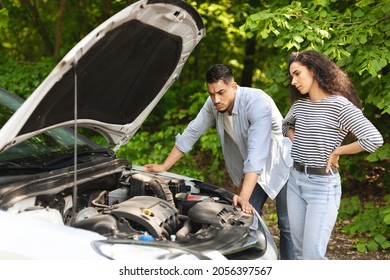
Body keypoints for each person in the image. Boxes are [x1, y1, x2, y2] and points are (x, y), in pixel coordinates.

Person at [144, 64, 295, 259]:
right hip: (253, 170)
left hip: (280, 163)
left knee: (286, 224)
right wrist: (164, 166)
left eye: (221, 92)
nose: (216, 99)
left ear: (234, 87)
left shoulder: (258, 103)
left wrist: (244, 195)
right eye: (211, 93)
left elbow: (257, 152)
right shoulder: (213, 104)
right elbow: (192, 132)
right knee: (244, 218)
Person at [282, 50, 384, 260]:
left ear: (313, 71)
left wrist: (338, 150)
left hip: (321, 186)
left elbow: (373, 139)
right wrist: (298, 140)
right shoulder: (300, 105)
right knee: (300, 253)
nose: (293, 81)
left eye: (297, 74)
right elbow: (285, 125)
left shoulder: (339, 106)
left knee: (312, 256)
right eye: (291, 76)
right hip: (294, 181)